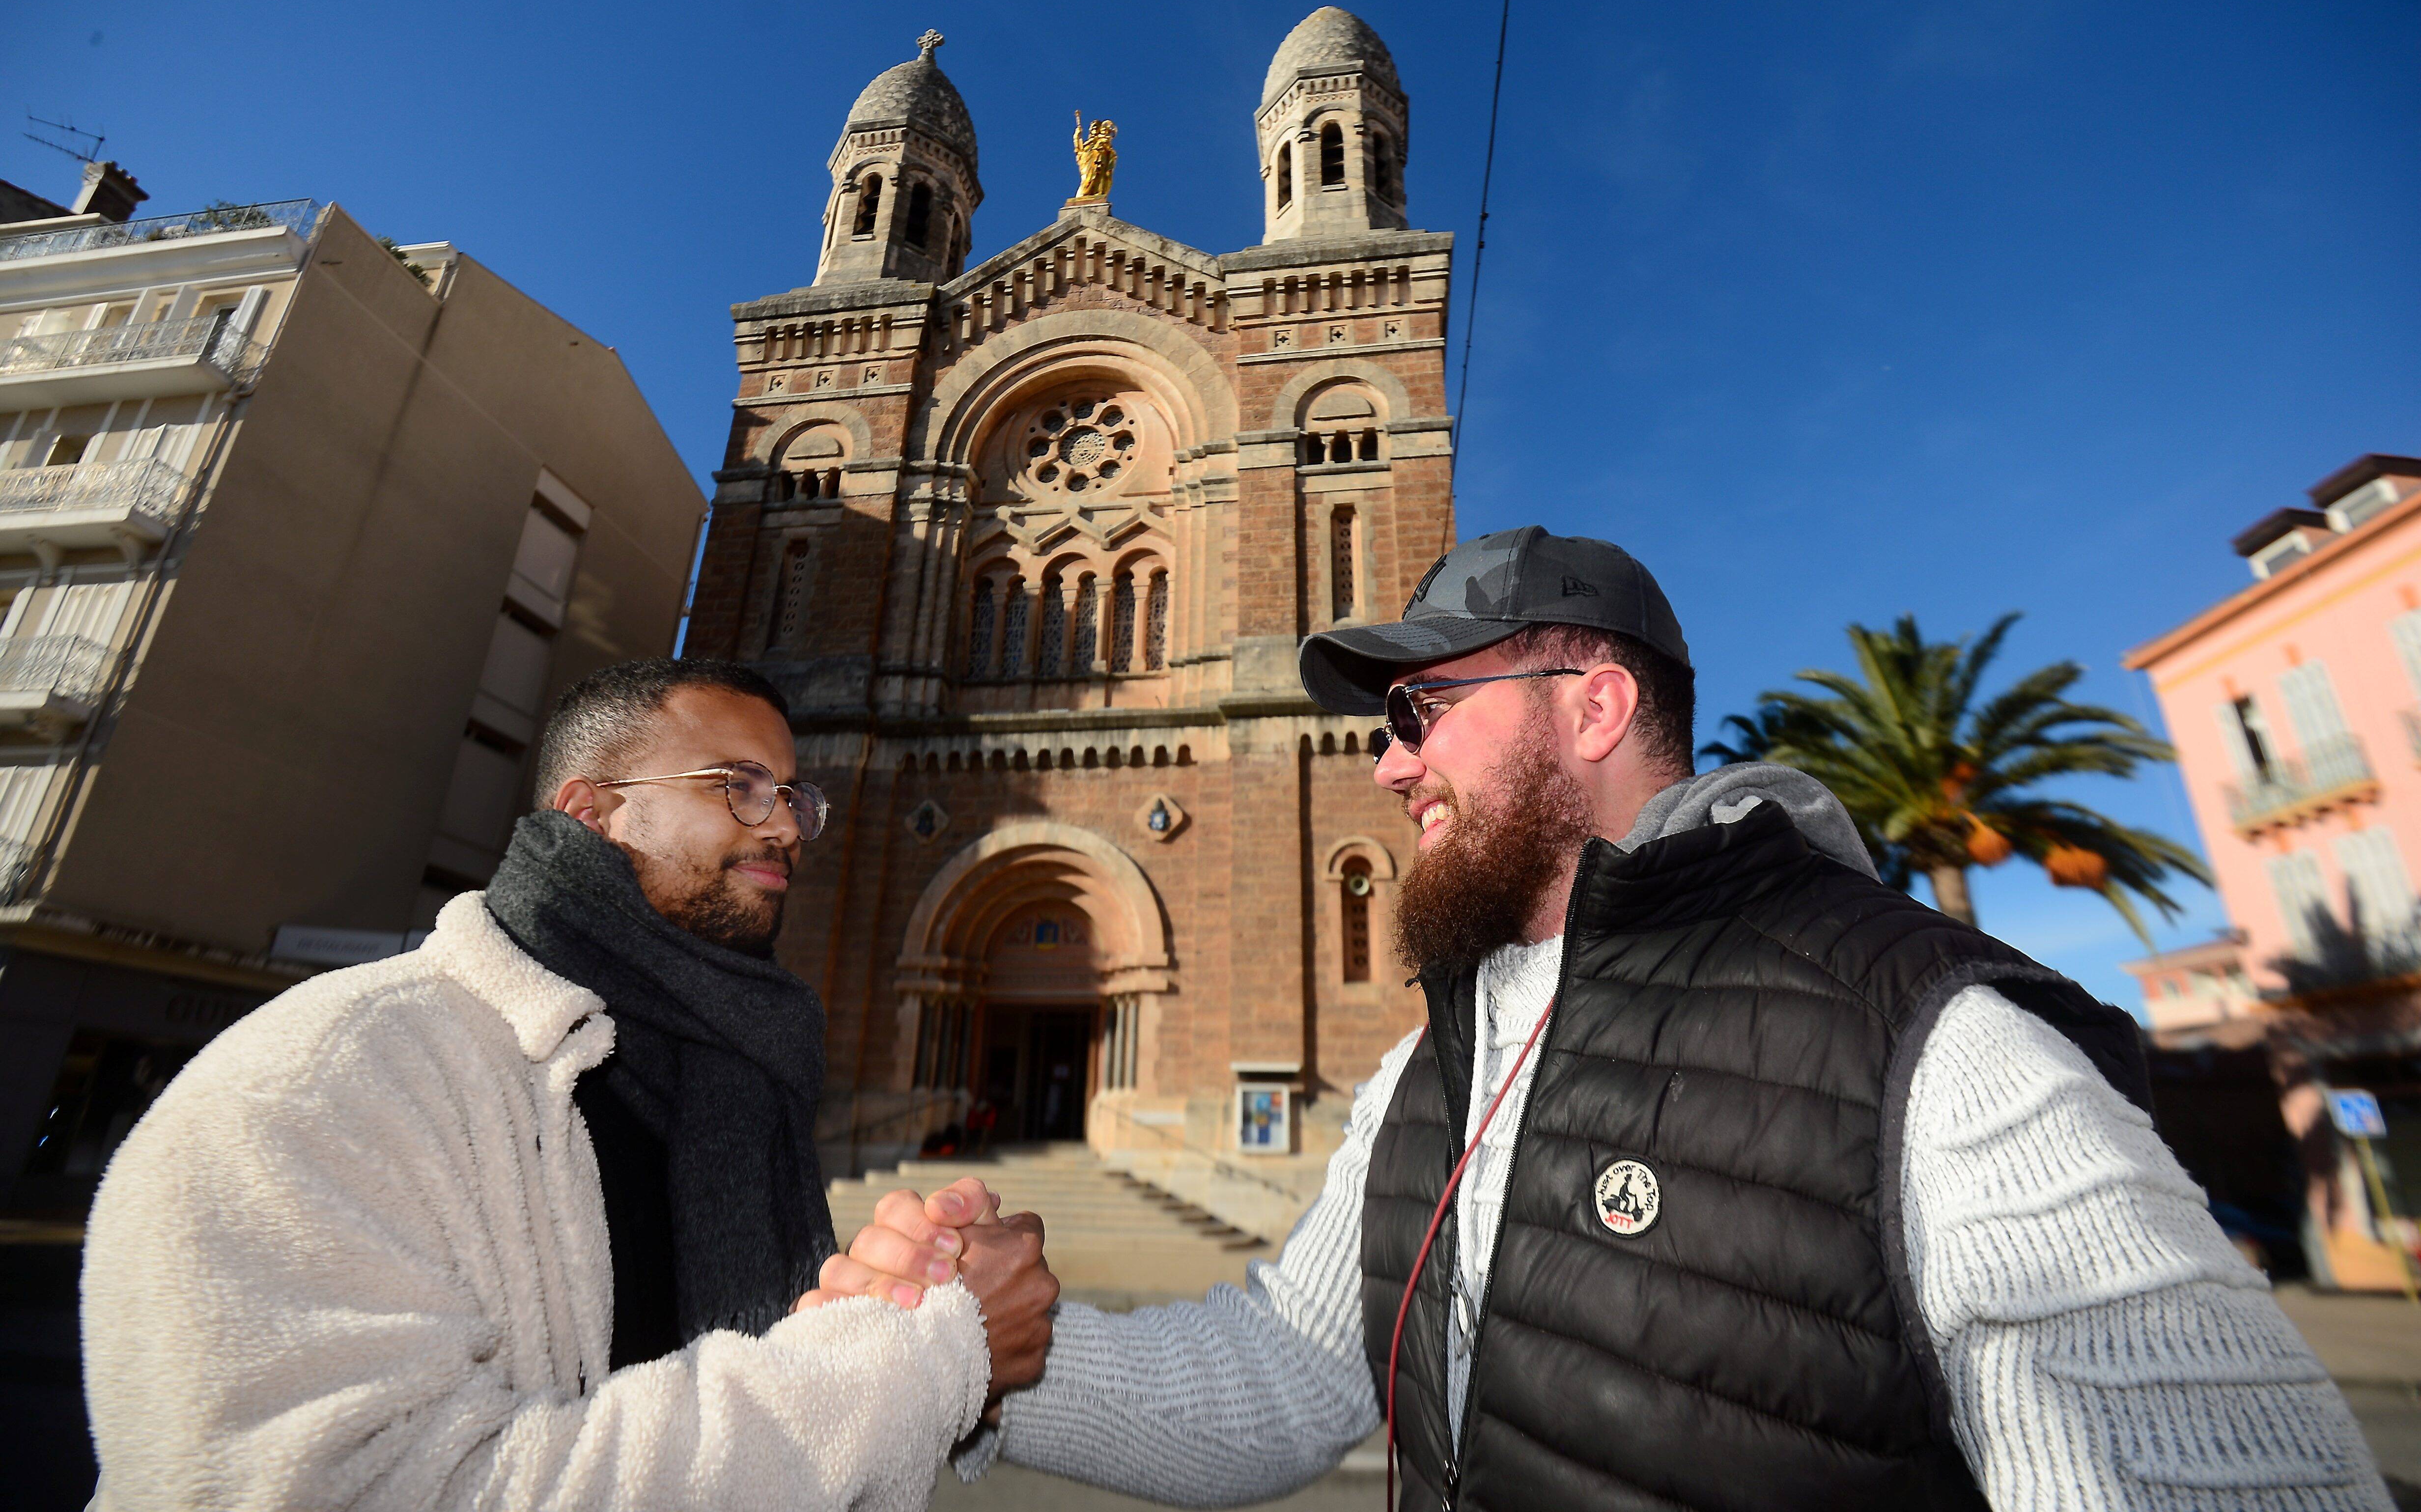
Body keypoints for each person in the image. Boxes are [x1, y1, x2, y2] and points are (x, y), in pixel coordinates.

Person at [821, 528, 2392, 1510]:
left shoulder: (1937, 1046)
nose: (1385, 767)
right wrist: (967, 1357)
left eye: (1422, 712)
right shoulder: (1442, 1064)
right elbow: (1280, 1387)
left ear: (1594, 705)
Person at [81, 656, 1056, 1510]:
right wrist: (913, 1363)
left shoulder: (735, 1074)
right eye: (739, 785)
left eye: (795, 796)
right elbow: (326, 1487)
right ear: (591, 811)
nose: (790, 827)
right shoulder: (321, 1080)